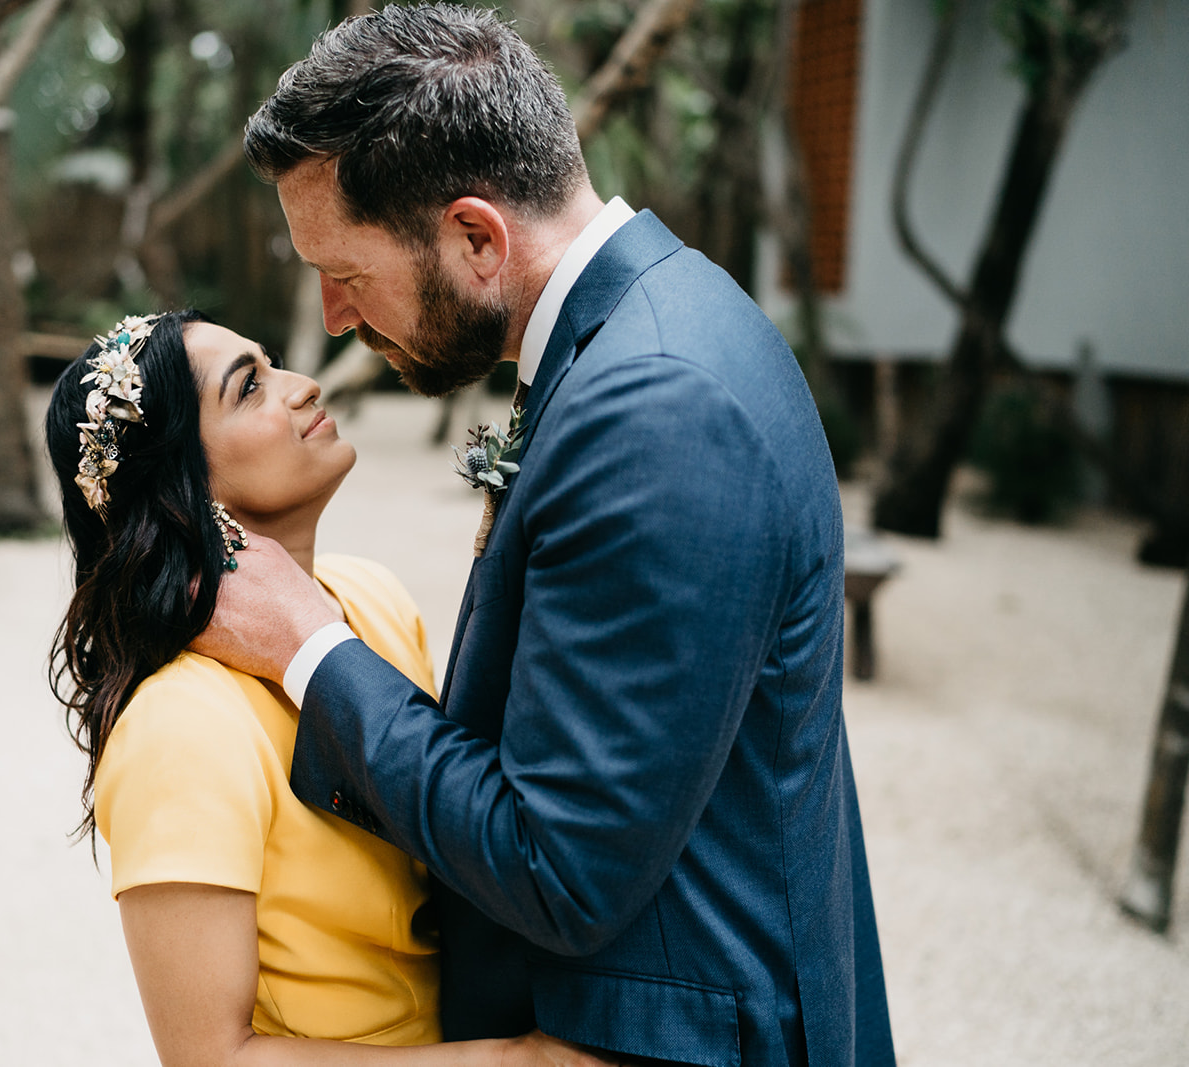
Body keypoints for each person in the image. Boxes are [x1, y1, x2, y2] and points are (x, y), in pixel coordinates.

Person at [191, 5, 898, 1066]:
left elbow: (560, 866)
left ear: (476, 235)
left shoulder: (656, 403)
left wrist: (308, 645)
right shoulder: (643, 330)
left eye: (344, 270)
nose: (334, 317)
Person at [45, 311, 612, 1065]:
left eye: (272, 362)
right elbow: (211, 1056)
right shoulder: (179, 726)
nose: (304, 386)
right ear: (182, 483)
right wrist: (516, 1061)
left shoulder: (370, 599)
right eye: (249, 387)